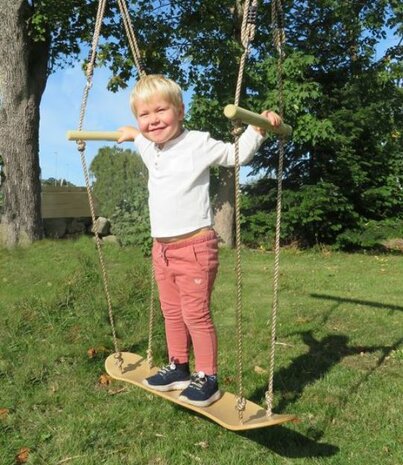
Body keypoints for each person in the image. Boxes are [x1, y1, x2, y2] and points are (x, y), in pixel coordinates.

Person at [117, 74, 282, 408]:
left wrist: (258, 128)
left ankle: (207, 378)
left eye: (160, 111)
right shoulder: (151, 148)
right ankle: (179, 367)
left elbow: (237, 155)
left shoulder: (197, 144)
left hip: (194, 247)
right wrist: (133, 134)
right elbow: (142, 139)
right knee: (172, 312)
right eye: (144, 115)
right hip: (161, 250)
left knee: (195, 314)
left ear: (180, 110)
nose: (153, 120)